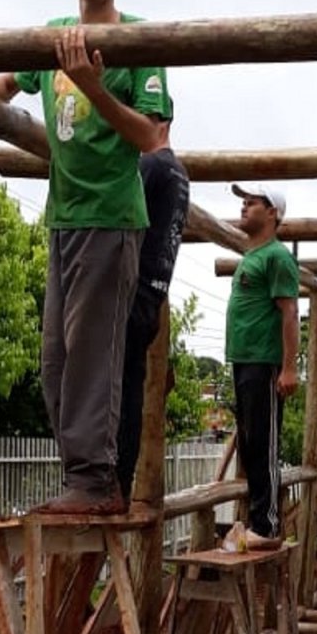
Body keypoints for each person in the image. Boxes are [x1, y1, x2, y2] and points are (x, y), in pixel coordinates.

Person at [0, 0, 173, 515]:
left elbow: (151, 137)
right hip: (63, 216)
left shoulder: (140, 43)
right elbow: (4, 88)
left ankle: (96, 481)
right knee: (56, 360)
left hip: (112, 217)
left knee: (93, 353)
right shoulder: (55, 36)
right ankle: (82, 477)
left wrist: (92, 85)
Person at [224, 183, 300, 545]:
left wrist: (289, 367)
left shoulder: (277, 257)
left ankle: (267, 525)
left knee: (264, 443)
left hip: (263, 361)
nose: (244, 206)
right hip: (242, 359)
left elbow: (289, 312)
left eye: (252, 203)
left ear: (273, 213)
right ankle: (257, 521)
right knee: (251, 443)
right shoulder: (250, 256)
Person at [116, 147, 190, 501]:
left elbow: (120, 209)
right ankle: (120, 480)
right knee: (131, 384)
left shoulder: (152, 165)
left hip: (132, 290)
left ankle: (112, 480)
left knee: (115, 386)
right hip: (153, 294)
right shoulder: (178, 175)